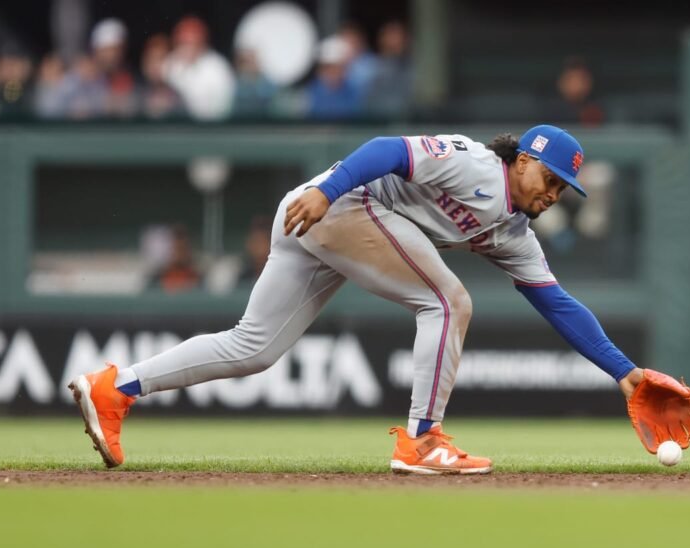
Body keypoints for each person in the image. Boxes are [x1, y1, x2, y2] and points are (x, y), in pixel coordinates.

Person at [68, 125, 648, 474]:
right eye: (548, 179)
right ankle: (422, 440)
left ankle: (113, 388)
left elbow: (557, 303)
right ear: (522, 161)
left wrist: (625, 373)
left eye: (562, 189)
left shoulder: (513, 233)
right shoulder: (474, 163)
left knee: (254, 347)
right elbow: (386, 148)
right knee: (447, 302)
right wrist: (326, 189)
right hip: (336, 206)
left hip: (333, 222)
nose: (552, 194)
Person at [163, 16, 235, 121]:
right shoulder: (170, 64)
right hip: (177, 126)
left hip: (209, 127)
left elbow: (224, 108)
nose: (186, 49)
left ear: (202, 43)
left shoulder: (217, 67)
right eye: (183, 43)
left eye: (191, 43)